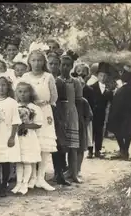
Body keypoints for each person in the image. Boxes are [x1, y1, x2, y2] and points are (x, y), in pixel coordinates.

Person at [21, 47, 58, 191]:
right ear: (29, 61)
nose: (37, 63)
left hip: (45, 111)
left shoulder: (48, 77)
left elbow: (54, 97)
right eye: (34, 60)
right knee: (31, 143)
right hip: (29, 111)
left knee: (45, 145)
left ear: (44, 62)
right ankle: (31, 177)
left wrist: (44, 104)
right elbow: (20, 93)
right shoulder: (25, 77)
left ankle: (41, 178)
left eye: (40, 60)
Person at [12, 81, 43, 195]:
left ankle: (25, 183)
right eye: (20, 92)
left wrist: (25, 125)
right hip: (17, 137)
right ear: (16, 93)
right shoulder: (14, 106)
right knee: (19, 161)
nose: (23, 94)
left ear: (30, 93)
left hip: (29, 137)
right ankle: (18, 183)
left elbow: (39, 124)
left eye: (25, 92)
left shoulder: (34, 107)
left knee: (27, 161)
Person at [106, 68, 131, 160]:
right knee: (128, 134)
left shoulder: (120, 91)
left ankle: (122, 149)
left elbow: (116, 105)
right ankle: (126, 150)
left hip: (120, 117)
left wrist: (112, 116)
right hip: (130, 117)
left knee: (118, 133)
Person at [46, 51, 70, 186]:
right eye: (51, 64)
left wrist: (63, 117)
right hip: (45, 112)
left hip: (57, 113)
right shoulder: (44, 78)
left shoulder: (60, 82)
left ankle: (59, 173)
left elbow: (64, 101)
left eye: (56, 64)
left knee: (59, 143)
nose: (53, 66)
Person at [59, 52, 82, 183]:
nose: (65, 68)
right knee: (61, 146)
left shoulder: (76, 82)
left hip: (72, 115)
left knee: (73, 147)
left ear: (72, 67)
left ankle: (74, 173)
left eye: (68, 65)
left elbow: (79, 101)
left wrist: (77, 117)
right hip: (59, 115)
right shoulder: (55, 80)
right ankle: (61, 173)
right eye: (63, 65)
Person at [89, 62, 113, 158]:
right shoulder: (91, 88)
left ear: (107, 77)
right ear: (97, 76)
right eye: (101, 75)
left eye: (105, 76)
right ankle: (90, 151)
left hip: (102, 114)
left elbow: (110, 104)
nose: (102, 78)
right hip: (92, 114)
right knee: (91, 132)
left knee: (99, 132)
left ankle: (98, 150)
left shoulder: (109, 91)